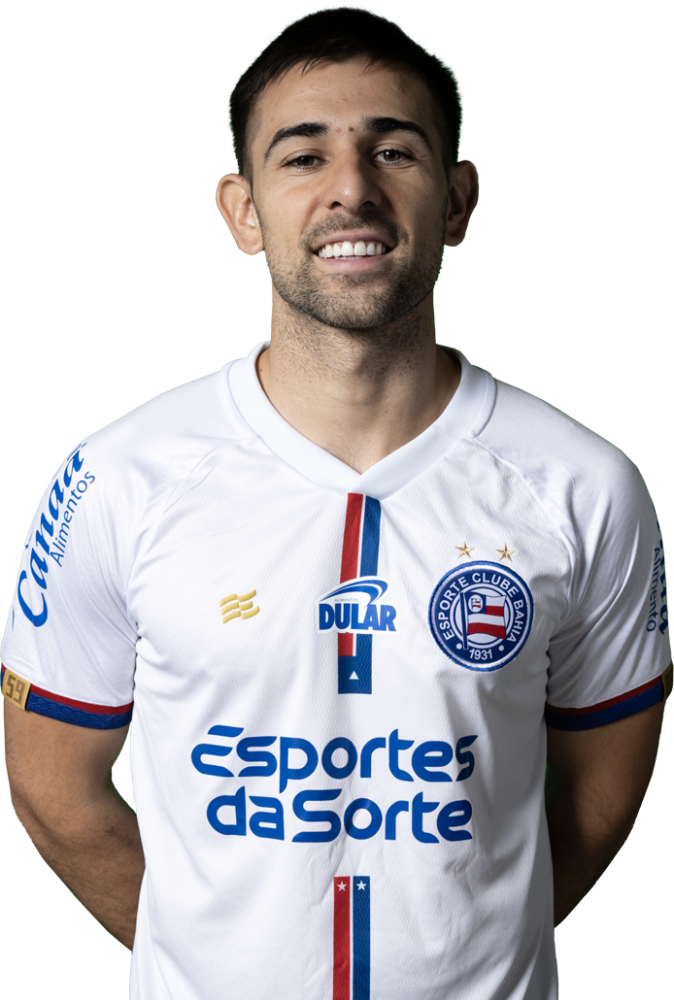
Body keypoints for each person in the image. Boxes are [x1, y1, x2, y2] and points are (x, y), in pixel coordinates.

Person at [2, 5, 670, 999]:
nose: (351, 190)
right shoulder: (118, 476)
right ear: (242, 211)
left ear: (457, 201)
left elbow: (598, 799)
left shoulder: (583, 486)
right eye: (303, 156)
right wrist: (205, 965)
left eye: (393, 152)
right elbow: (52, 787)